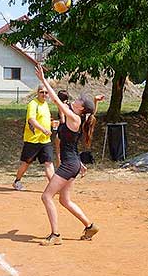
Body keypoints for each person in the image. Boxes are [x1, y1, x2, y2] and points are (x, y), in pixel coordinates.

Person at [35, 64, 100, 246]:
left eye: (79, 101)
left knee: (46, 196)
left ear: (80, 109)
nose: (76, 100)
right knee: (64, 200)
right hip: (73, 163)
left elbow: (56, 101)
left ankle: (55, 235)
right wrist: (79, 163)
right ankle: (90, 226)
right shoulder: (73, 118)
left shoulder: (75, 118)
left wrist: (44, 81)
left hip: (69, 164)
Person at [13, 84, 55, 191]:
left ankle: (54, 186)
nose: (44, 94)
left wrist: (51, 123)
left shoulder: (45, 105)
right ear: (38, 93)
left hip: (45, 140)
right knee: (26, 162)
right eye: (42, 92)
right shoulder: (33, 104)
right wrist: (43, 129)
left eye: (46, 92)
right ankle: (17, 181)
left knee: (49, 163)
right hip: (33, 140)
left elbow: (44, 119)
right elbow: (31, 119)